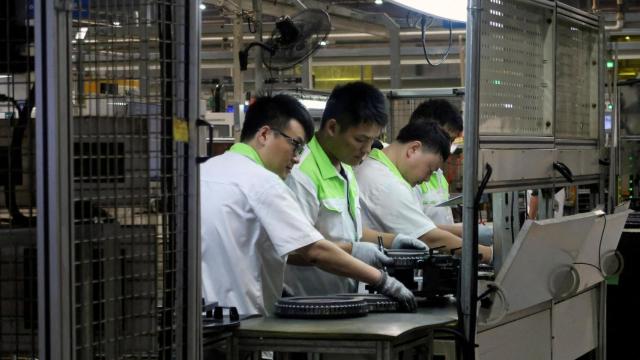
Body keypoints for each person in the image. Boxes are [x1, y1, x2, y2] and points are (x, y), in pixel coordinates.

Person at [200, 94, 416, 316]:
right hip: (245, 319)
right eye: (295, 145)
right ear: (264, 134)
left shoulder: (202, 173)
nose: (296, 158)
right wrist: (382, 281)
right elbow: (314, 250)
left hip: (200, 324)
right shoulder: (265, 183)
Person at [284, 82, 427, 296]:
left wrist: (391, 241)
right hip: (305, 305)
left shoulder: (346, 166)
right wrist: (354, 252)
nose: (367, 150)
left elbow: (349, 234)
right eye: (360, 139)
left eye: (372, 140)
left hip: (341, 301)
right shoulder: (301, 173)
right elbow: (291, 249)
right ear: (332, 128)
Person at [355, 120, 493, 263]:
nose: (427, 179)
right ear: (413, 149)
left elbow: (422, 226)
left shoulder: (383, 170)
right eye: (429, 170)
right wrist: (489, 254)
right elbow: (429, 237)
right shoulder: (384, 181)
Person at [409, 99, 493, 245]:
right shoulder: (406, 175)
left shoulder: (437, 173)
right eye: (445, 138)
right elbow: (415, 229)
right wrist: (466, 231)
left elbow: (440, 222)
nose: (447, 148)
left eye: (451, 141)